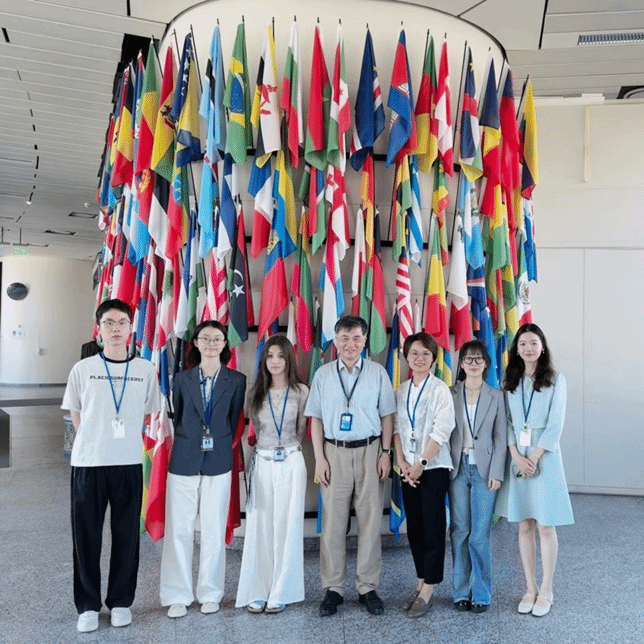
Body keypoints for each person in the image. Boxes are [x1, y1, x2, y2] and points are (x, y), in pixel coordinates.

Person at [62, 299, 162, 633]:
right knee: (86, 537)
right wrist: (94, 439)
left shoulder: (145, 370)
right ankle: (88, 606)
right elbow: (76, 412)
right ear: (99, 328)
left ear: (131, 328)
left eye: (122, 323)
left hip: (128, 462)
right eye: (109, 323)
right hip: (88, 463)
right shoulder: (83, 368)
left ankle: (120, 602)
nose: (116, 329)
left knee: (126, 536)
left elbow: (147, 412)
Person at [305, 315, 396, 617]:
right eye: (344, 338)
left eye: (356, 338)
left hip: (370, 451)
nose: (350, 344)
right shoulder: (323, 374)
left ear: (364, 340)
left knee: (370, 521)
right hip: (334, 453)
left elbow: (387, 416)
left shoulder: (377, 373)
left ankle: (367, 587)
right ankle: (333, 588)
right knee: (333, 523)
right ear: (335, 340)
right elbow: (315, 419)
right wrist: (320, 458)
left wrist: (385, 453)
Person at [160, 321, 246, 618]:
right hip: (184, 457)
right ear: (195, 343)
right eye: (205, 338)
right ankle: (177, 594)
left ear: (224, 344)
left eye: (217, 338)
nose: (211, 343)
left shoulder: (237, 380)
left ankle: (210, 592)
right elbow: (179, 416)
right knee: (179, 529)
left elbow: (233, 420)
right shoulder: (182, 378)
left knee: (213, 527)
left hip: (218, 459)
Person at [495, 323, 574, 617]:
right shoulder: (510, 381)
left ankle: (547, 589)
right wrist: (517, 455)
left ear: (542, 347)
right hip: (518, 457)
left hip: (545, 456)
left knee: (545, 525)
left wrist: (536, 456)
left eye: (533, 343)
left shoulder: (555, 379)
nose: (528, 348)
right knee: (524, 524)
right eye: (523, 344)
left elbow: (556, 422)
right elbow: (507, 423)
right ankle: (529, 588)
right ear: (517, 350)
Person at [235, 336, 309, 613]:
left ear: (288, 359)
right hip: (263, 462)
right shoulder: (254, 393)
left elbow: (301, 430)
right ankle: (258, 589)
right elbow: (256, 429)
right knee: (261, 527)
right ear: (263, 361)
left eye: (280, 356)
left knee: (287, 526)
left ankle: (281, 590)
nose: (275, 361)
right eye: (269, 356)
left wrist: (285, 450)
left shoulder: (301, 391)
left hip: (291, 460)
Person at [392, 332, 455, 618]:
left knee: (433, 527)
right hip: (407, 469)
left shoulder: (440, 390)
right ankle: (419, 581)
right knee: (415, 528)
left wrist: (422, 462)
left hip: (433, 468)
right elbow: (395, 428)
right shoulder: (401, 390)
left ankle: (429, 588)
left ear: (434, 359)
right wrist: (402, 462)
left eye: (426, 354)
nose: (419, 358)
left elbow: (442, 430)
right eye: (414, 353)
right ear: (407, 356)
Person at [448, 340, 507, 613]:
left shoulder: (496, 396)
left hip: (485, 471)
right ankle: (461, 591)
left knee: (480, 534)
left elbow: (500, 437)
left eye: (478, 359)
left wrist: (497, 472)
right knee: (459, 531)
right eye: (468, 359)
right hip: (457, 468)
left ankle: (481, 592)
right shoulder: (450, 393)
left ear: (486, 364)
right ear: (461, 364)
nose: (473, 363)